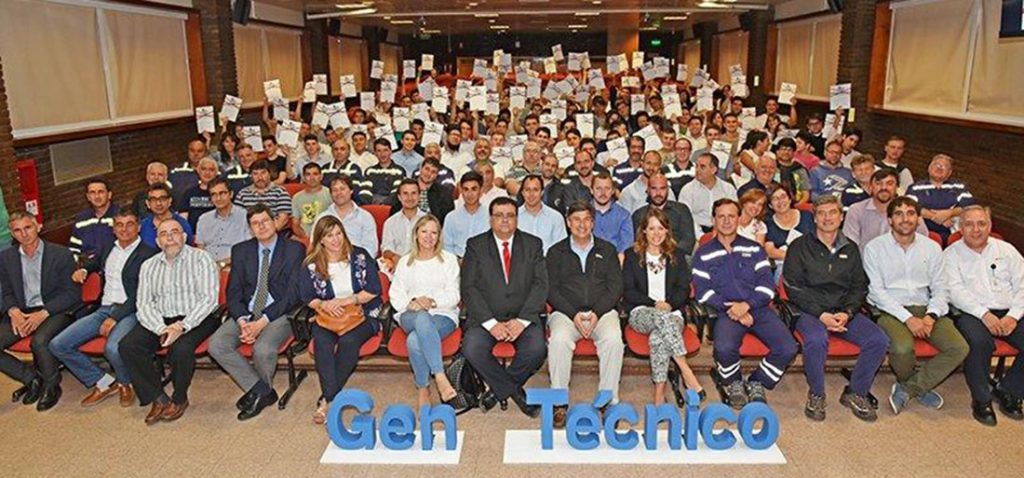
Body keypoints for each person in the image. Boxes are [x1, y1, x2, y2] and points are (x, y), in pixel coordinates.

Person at [784, 195, 890, 422]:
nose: (827, 218)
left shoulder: (850, 248)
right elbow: (793, 287)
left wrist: (848, 312)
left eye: (832, 212)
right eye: (821, 213)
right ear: (814, 218)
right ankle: (817, 394)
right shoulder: (799, 247)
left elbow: (859, 286)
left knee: (878, 340)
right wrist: (821, 314)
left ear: (841, 217)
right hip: (810, 311)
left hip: (842, 311)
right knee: (816, 340)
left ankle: (856, 392)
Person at [862, 197, 968, 415]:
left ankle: (909, 388)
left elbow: (941, 289)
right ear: (890, 220)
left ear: (918, 218)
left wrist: (931, 316)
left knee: (959, 347)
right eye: (898, 214)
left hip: (925, 307)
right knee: (902, 348)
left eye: (910, 213)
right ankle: (917, 385)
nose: (905, 219)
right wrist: (908, 319)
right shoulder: (875, 248)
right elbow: (876, 292)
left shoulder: (932, 248)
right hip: (890, 310)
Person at [692, 199, 798, 408]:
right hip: (726, 312)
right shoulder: (703, 253)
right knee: (723, 348)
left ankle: (757, 382)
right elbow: (703, 293)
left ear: (739, 219)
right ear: (714, 220)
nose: (726, 221)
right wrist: (732, 308)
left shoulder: (755, 249)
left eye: (731, 216)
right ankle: (734, 382)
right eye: (721, 216)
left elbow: (768, 286)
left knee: (788, 348)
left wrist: (747, 305)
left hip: (758, 308)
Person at [49, 209, 157, 408]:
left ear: (139, 227)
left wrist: (115, 318)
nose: (124, 229)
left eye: (130, 224)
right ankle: (103, 381)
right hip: (104, 307)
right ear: (113, 228)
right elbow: (96, 261)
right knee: (58, 344)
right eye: (119, 225)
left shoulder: (149, 254)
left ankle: (125, 383)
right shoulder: (109, 247)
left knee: (113, 348)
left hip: (131, 310)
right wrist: (84, 269)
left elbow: (141, 295)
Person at [209, 204, 305, 421]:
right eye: (255, 223)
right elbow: (233, 291)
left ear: (275, 222)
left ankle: (257, 393)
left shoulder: (294, 249)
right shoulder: (241, 250)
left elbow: (293, 294)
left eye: (265, 221)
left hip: (279, 313)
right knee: (217, 344)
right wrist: (243, 321)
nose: (261, 226)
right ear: (250, 228)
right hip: (247, 312)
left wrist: (262, 322)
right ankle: (262, 391)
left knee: (262, 349)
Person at [119, 219, 220, 424]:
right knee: (128, 346)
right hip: (161, 319)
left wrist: (181, 326)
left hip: (197, 317)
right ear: (158, 241)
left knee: (180, 349)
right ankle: (158, 397)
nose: (170, 237)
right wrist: (161, 328)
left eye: (175, 232)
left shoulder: (202, 258)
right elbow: (144, 304)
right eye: (164, 234)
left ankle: (179, 398)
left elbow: (209, 300)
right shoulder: (148, 265)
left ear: (184, 237)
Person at [461, 197, 548, 417]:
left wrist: (522, 321)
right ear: (490, 219)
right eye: (499, 215)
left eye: (510, 215)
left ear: (517, 219)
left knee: (537, 349)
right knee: (472, 347)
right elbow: (469, 288)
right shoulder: (475, 245)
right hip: (486, 317)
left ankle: (497, 391)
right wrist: (491, 324)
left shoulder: (533, 244)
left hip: (523, 316)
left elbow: (541, 285)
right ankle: (515, 392)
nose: (505, 220)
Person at [943, 205, 1024, 426]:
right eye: (969, 224)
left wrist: (1014, 316)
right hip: (971, 312)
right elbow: (955, 291)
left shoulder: (1007, 250)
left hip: (1009, 310)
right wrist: (984, 315)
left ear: (990, 226)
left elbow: (1022, 285)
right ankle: (981, 400)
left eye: (981, 223)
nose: (976, 229)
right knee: (979, 342)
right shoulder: (951, 255)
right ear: (960, 228)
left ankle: (1010, 390)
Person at [545, 202, 624, 427]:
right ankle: (559, 402)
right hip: (566, 313)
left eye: (587, 219)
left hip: (602, 312)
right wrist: (574, 314)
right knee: (558, 341)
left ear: (593, 222)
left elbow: (615, 287)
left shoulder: (607, 250)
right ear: (568, 223)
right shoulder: (556, 252)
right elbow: (551, 290)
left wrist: (597, 312)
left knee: (613, 340)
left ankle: (608, 401)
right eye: (576, 220)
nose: (582, 224)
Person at [298, 215, 382, 425]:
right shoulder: (311, 265)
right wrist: (324, 304)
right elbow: (307, 297)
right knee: (322, 344)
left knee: (349, 342)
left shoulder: (360, 256)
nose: (335, 239)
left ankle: (326, 401)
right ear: (321, 240)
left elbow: (374, 289)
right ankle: (332, 398)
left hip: (363, 314)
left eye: (338, 234)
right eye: (329, 236)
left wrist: (346, 301)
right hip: (328, 317)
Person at [0, 212, 81, 411]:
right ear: (12, 233)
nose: (24, 234)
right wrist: (13, 310)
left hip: (54, 310)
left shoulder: (61, 254)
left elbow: (72, 294)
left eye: (28, 227)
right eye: (18, 230)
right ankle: (31, 378)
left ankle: (52, 386)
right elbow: (7, 291)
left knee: (40, 341)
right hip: (22, 311)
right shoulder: (6, 257)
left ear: (38, 226)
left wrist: (44, 313)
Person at [623, 208, 703, 406]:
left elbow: (683, 289)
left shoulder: (677, 255)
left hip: (672, 311)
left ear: (667, 230)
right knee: (661, 318)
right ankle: (686, 371)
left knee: (658, 338)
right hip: (641, 311)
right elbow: (628, 290)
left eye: (660, 228)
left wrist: (669, 304)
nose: (656, 233)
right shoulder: (632, 255)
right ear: (644, 230)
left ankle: (659, 391)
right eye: (651, 228)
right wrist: (654, 304)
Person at [389, 215, 461, 408]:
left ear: (439, 236)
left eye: (434, 232)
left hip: (443, 314)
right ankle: (440, 376)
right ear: (416, 234)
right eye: (424, 232)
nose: (429, 237)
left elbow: (454, 294)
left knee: (414, 340)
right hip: (410, 314)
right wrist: (412, 303)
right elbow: (395, 294)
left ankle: (423, 388)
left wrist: (432, 302)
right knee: (421, 317)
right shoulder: (405, 261)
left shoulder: (449, 260)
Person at [843, 169, 927, 248]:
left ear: (897, 187)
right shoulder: (856, 211)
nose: (884, 187)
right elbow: (851, 245)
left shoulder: (911, 212)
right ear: (870, 187)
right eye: (878, 183)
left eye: (889, 184)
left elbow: (922, 242)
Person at [906, 154, 975, 244]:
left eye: (944, 166)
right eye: (936, 164)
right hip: (922, 235)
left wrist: (949, 213)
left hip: (953, 235)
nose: (939, 168)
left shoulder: (959, 187)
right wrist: (936, 217)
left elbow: (970, 207)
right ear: (929, 168)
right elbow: (910, 207)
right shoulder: (915, 188)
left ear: (949, 172)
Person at [631, 174, 696, 256]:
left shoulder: (681, 210)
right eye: (654, 188)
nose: (658, 193)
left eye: (662, 188)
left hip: (677, 257)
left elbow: (688, 241)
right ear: (648, 190)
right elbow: (637, 242)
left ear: (668, 190)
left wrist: (668, 255)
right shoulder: (639, 215)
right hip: (647, 258)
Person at [314, 176, 379, 256]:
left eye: (342, 189)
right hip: (329, 260)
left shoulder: (365, 217)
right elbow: (315, 246)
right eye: (335, 190)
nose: (339, 193)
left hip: (357, 260)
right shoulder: (322, 218)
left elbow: (371, 249)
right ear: (330, 194)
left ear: (351, 191)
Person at [678, 153, 738, 239]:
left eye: (702, 167)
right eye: (696, 166)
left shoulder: (728, 189)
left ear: (713, 170)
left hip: (724, 231)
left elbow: (734, 214)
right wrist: (702, 237)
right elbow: (685, 218)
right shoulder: (687, 190)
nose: (697, 170)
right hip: (695, 234)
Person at [194, 178, 251, 264]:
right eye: (214, 194)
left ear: (231, 194)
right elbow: (200, 251)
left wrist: (221, 264)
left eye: (222, 193)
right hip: (207, 266)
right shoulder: (203, 219)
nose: (218, 198)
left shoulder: (245, 216)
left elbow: (248, 250)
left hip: (236, 265)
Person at [765, 184, 815, 282]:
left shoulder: (807, 216)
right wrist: (796, 257)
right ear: (770, 205)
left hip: (810, 261)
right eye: (775, 199)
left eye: (783, 197)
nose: (780, 201)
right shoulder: (768, 224)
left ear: (790, 199)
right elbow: (770, 251)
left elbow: (817, 240)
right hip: (784, 265)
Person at [233, 160, 292, 233]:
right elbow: (236, 218)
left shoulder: (280, 192)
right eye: (255, 174)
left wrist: (265, 234)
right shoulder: (242, 193)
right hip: (248, 233)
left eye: (263, 173)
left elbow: (282, 220)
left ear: (269, 174)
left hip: (274, 233)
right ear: (251, 176)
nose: (260, 177)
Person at [442, 172, 491, 258]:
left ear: (481, 190)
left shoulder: (491, 216)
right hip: (457, 262)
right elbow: (447, 246)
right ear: (461, 191)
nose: (470, 194)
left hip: (485, 262)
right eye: (466, 189)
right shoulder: (451, 217)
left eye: (474, 189)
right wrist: (456, 261)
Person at [381, 180, 427, 269]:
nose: (410, 198)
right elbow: (386, 248)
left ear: (419, 196)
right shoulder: (390, 222)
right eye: (405, 193)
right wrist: (395, 258)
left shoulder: (427, 221)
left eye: (413, 193)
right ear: (399, 197)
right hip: (396, 266)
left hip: (422, 266)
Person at [69, 179, 118, 261]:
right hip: (87, 265)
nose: (97, 196)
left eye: (101, 192)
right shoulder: (81, 220)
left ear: (109, 195)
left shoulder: (120, 217)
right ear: (88, 197)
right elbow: (74, 249)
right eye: (92, 193)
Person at [517, 175, 567, 255]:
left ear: (542, 192)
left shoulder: (556, 217)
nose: (531, 194)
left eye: (535, 190)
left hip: (549, 261)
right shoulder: (514, 217)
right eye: (527, 190)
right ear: (522, 193)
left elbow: (561, 248)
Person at [591, 173, 634, 256]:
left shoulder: (624, 215)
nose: (603, 192)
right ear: (591, 190)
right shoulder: (583, 213)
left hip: (615, 260)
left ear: (613, 191)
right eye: (598, 188)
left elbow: (626, 247)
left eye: (607, 188)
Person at [139, 183, 193, 249]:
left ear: (169, 201)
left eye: (162, 199)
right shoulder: (143, 226)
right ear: (148, 203)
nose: (158, 203)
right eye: (153, 199)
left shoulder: (182, 224)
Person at [291, 162, 333, 241]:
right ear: (303, 178)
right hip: (304, 237)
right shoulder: (296, 197)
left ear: (321, 176)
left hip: (327, 237)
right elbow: (295, 224)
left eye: (315, 174)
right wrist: (306, 238)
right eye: (308, 174)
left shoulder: (330, 194)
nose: (312, 177)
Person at [179, 157, 220, 231]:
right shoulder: (189, 193)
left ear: (216, 173)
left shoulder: (220, 193)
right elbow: (183, 220)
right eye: (204, 169)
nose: (207, 173)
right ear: (198, 171)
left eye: (211, 170)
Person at [409, 158, 455, 224]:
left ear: (436, 175)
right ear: (420, 169)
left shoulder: (444, 193)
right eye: (427, 169)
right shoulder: (407, 187)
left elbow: (448, 218)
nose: (428, 174)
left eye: (433, 172)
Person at [364, 138, 408, 205]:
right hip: (372, 206)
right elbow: (365, 192)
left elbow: (397, 193)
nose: (382, 154)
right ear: (375, 153)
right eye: (379, 151)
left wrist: (383, 203)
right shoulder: (369, 171)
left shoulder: (399, 171)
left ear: (390, 151)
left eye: (385, 150)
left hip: (392, 206)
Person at [168, 139, 206, 207]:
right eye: (192, 150)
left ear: (205, 153)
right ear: (188, 152)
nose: (195, 154)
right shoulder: (176, 171)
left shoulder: (214, 172)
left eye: (199, 151)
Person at [774, 138, 811, 204]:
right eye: (783, 149)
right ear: (777, 151)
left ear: (794, 153)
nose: (786, 152)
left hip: (796, 204)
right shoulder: (772, 167)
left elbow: (806, 193)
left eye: (789, 150)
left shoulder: (800, 169)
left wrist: (798, 205)